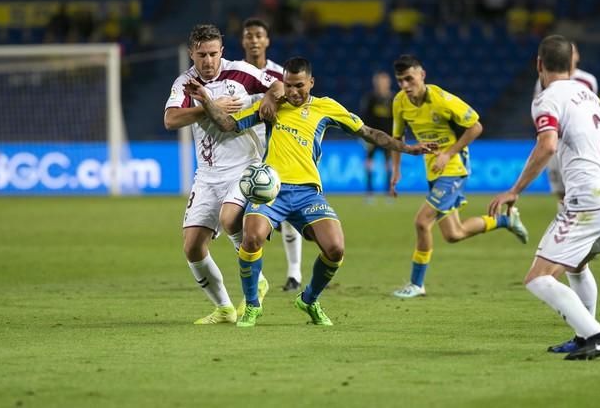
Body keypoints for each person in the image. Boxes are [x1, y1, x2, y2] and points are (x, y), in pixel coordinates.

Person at [184, 56, 435, 327]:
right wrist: (207, 100)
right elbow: (228, 124)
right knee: (252, 237)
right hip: (272, 191)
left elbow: (368, 132)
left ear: (311, 83)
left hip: (308, 193)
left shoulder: (326, 108)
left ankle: (309, 299)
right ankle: (252, 307)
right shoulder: (271, 107)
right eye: (288, 85)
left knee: (335, 248)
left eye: (299, 86)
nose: (293, 92)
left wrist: (407, 149)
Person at [488, 35, 600, 360]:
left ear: (539, 65)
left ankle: (598, 336)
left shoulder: (547, 97)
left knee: (537, 279)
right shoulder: (592, 98)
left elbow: (547, 145)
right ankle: (584, 336)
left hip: (590, 201)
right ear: (572, 64)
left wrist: (514, 190)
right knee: (577, 266)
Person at [163, 24, 283, 325]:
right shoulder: (186, 83)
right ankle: (225, 308)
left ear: (222, 52)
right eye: (201, 55)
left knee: (231, 219)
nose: (208, 61)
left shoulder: (241, 72)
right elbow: (170, 119)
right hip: (206, 174)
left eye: (213, 54)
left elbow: (279, 85)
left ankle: (258, 279)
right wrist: (209, 107)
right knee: (192, 247)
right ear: (192, 53)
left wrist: (269, 98)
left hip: (244, 168)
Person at [390, 55, 529, 299]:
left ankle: (416, 284)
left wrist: (448, 153)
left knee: (422, 222)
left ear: (422, 75)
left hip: (454, 168)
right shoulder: (399, 102)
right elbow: (397, 139)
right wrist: (396, 170)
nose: (405, 85)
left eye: (409, 79)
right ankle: (505, 221)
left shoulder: (443, 100)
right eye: (400, 81)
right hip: (433, 170)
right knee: (454, 234)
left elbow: (476, 126)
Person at [241, 17, 304, 292]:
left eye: (259, 35)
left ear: (267, 41)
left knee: (288, 216)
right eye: (249, 35)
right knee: (245, 218)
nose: (254, 40)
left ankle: (294, 274)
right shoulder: (234, 74)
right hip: (242, 152)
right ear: (243, 41)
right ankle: (257, 275)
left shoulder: (282, 75)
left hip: (274, 152)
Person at [534, 43, 598, 206]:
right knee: (560, 191)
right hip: (556, 141)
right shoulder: (542, 81)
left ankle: (576, 222)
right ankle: (566, 220)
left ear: (577, 56)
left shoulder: (588, 80)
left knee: (582, 188)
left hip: (580, 143)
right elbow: (540, 108)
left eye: (573, 52)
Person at [359, 71, 394, 199]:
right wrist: (363, 136)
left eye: (384, 81)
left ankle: (388, 190)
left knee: (388, 164)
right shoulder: (370, 99)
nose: (381, 84)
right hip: (371, 137)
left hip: (388, 137)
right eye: (379, 81)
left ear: (388, 83)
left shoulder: (392, 99)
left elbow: (397, 120)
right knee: (369, 163)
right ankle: (369, 191)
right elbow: (363, 118)